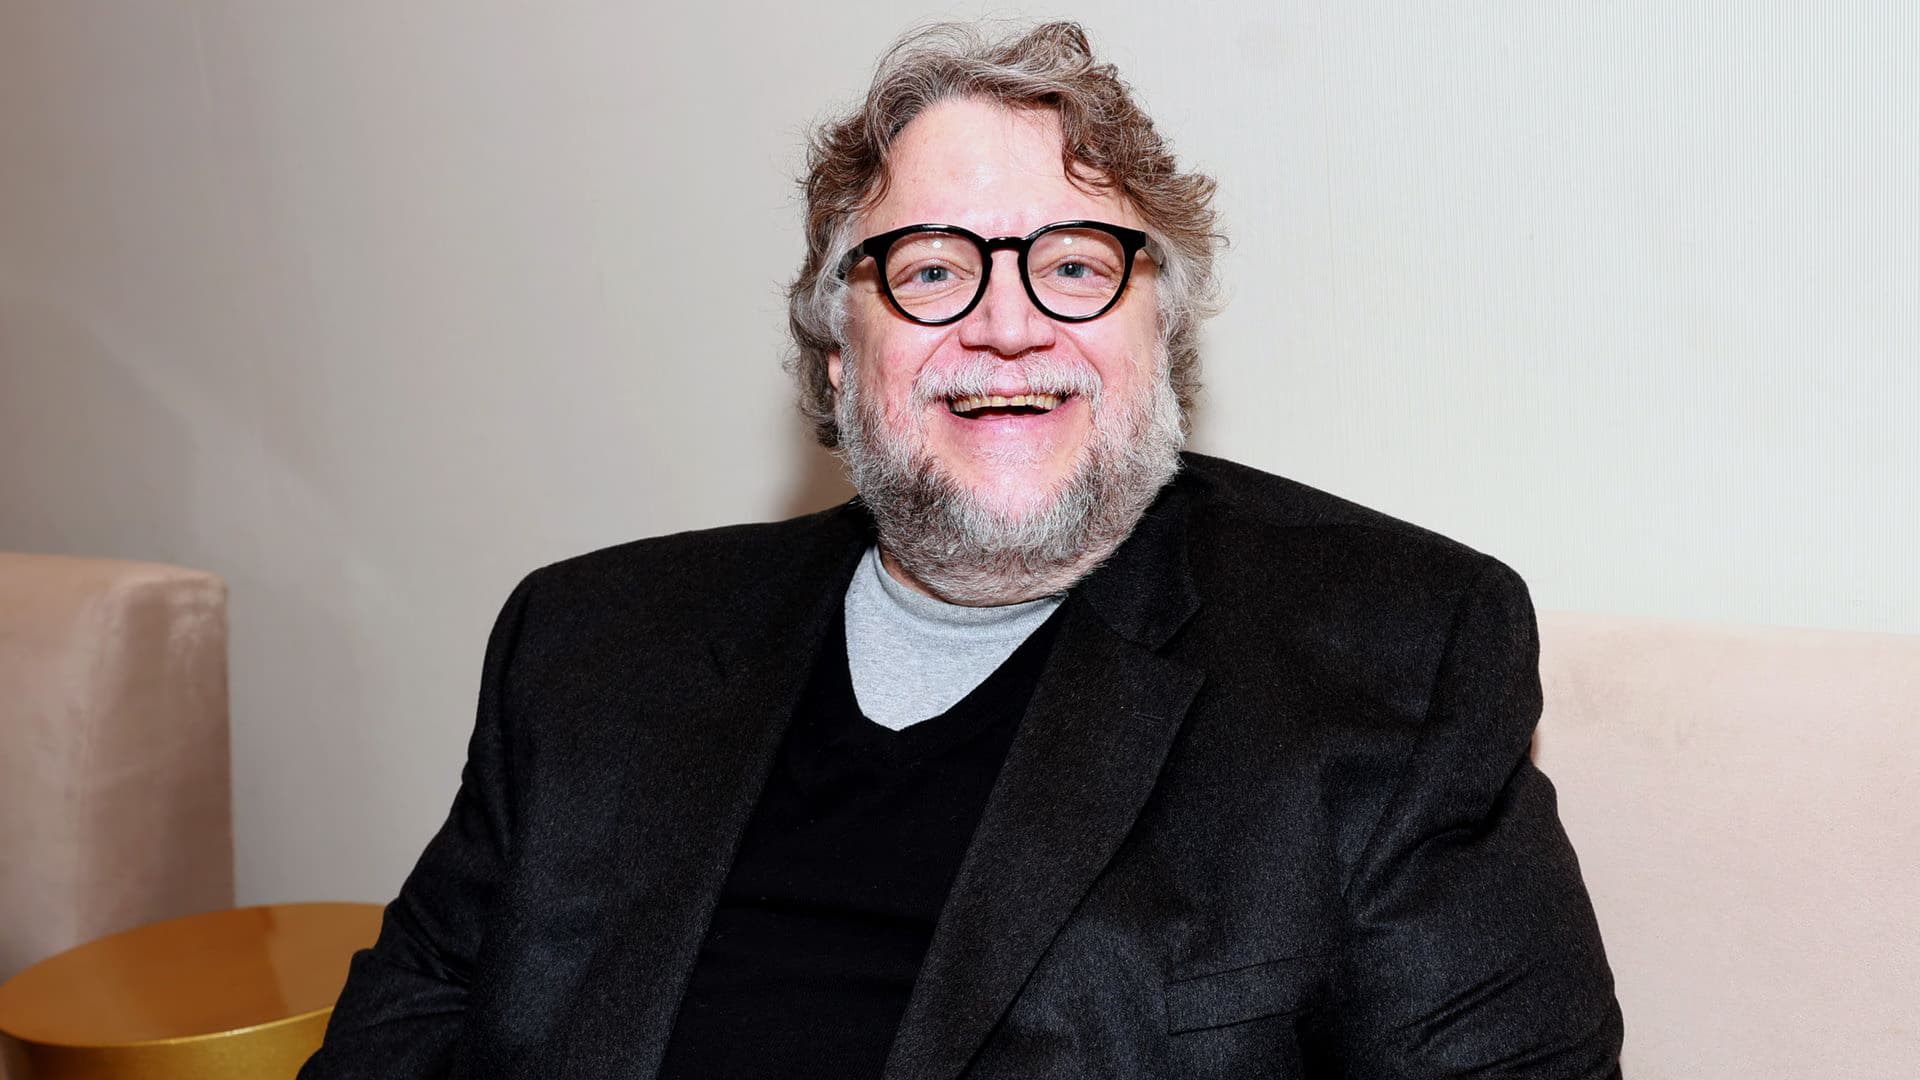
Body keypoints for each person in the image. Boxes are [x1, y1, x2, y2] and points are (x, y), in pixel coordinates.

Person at [301, 20, 1621, 1080]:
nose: (1005, 324)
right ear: (838, 355)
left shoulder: (1399, 657)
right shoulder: (589, 644)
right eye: (930, 270)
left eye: (1076, 264)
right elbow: (403, 1032)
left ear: (1160, 334)